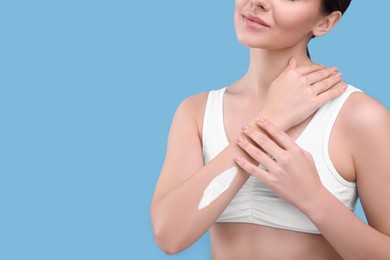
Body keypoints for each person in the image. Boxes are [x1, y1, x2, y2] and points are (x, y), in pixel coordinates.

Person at [151, 0, 390, 259]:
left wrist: (314, 199)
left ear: (325, 23)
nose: (259, 2)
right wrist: (271, 118)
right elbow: (170, 236)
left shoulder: (359, 117)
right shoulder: (196, 112)